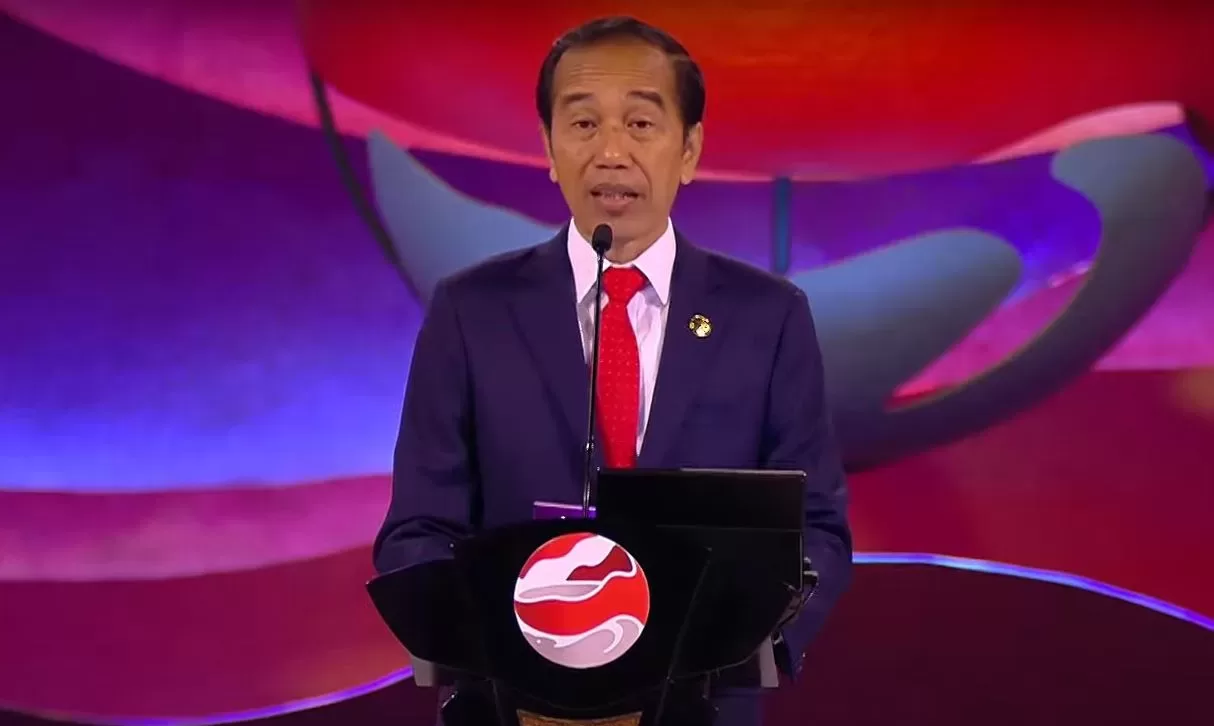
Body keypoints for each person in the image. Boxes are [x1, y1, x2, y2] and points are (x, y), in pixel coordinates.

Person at [374, 15, 853, 726]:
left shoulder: (768, 317)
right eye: (583, 124)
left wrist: (744, 643)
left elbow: (817, 529)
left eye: (640, 123)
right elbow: (417, 528)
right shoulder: (470, 312)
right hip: (514, 709)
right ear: (549, 147)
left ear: (689, 149)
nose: (610, 152)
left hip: (701, 708)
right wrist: (492, 646)